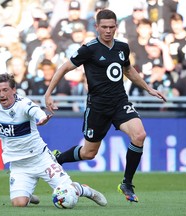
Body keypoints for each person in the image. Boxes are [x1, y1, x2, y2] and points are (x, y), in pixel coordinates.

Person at [0, 56, 107, 207]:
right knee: (18, 204)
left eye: (5, 90)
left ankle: (84, 189)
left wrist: (42, 118)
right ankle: (26, 195)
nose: (2, 94)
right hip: (19, 165)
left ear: (13, 90)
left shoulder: (23, 104)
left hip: (41, 159)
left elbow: (36, 111)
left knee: (67, 197)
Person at [44, 9, 166, 202]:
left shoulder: (122, 47)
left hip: (119, 102)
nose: (108, 31)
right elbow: (65, 67)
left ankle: (126, 183)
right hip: (98, 107)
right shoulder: (89, 49)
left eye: (112, 27)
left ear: (116, 27)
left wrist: (148, 88)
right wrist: (48, 93)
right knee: (88, 153)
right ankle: (58, 159)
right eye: (104, 27)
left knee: (139, 135)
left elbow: (128, 69)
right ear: (97, 27)